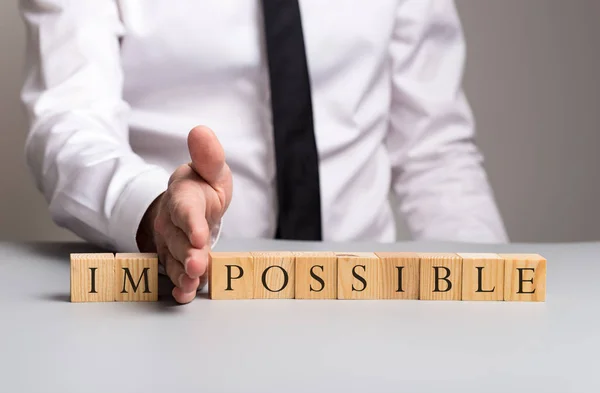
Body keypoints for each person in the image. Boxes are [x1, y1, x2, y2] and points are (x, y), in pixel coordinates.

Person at [19, 0, 508, 304]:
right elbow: (70, 120)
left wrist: (496, 288)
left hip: (364, 299)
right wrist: (155, 211)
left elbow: (432, 147)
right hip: (183, 300)